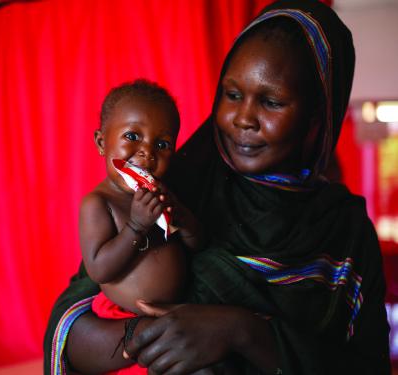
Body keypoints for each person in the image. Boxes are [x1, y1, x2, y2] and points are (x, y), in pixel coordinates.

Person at [44, 1, 391, 374]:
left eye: (271, 102)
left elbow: (369, 368)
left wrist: (242, 332)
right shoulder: (174, 185)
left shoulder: (346, 234)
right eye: (232, 94)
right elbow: (69, 326)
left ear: (316, 115)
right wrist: (149, 334)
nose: (243, 119)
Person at [79, 80, 202, 374]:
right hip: (124, 319)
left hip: (175, 310)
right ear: (101, 143)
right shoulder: (98, 203)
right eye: (132, 136)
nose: (147, 153)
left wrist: (183, 219)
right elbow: (98, 269)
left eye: (162, 144)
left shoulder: (163, 193)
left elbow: (198, 245)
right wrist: (135, 226)